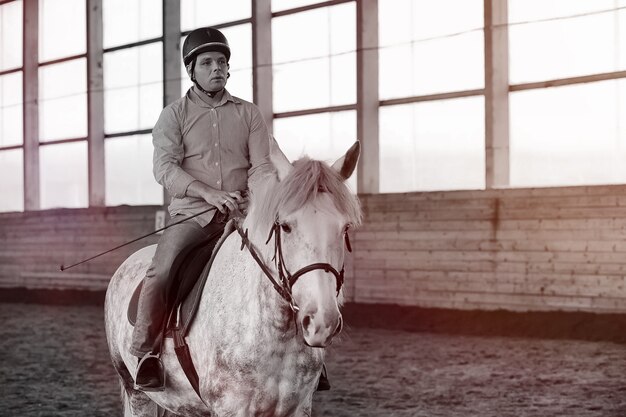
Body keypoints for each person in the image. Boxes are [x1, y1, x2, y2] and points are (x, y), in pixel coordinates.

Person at [130, 26, 330, 393]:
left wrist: (261, 202)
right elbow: (165, 169)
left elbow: (262, 167)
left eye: (222, 62)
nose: (217, 68)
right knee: (161, 271)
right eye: (207, 63)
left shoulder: (249, 114)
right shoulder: (173, 116)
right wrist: (209, 193)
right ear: (192, 70)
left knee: (287, 263)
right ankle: (146, 354)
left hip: (244, 214)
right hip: (194, 214)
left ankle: (305, 355)